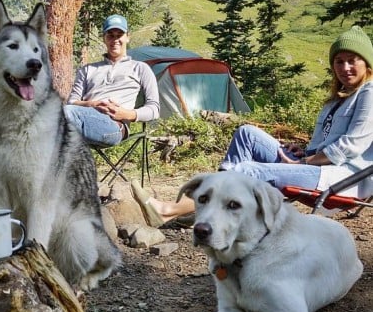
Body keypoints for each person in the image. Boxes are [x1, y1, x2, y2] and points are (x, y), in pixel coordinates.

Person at [134, 25, 373, 226]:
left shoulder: (369, 93)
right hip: (319, 168)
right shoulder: (339, 98)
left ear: (367, 64)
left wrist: (303, 162)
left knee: (250, 170)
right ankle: (207, 211)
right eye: (339, 62)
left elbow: (348, 147)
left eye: (352, 61)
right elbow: (326, 142)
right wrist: (307, 152)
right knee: (247, 134)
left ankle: (169, 210)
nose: (345, 68)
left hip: (341, 179)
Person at [64, 14, 160, 147]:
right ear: (104, 38)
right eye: (110, 35)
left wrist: (126, 114)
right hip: (80, 117)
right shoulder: (87, 70)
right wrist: (92, 104)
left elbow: (154, 109)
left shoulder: (140, 68)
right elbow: (72, 101)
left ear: (127, 37)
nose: (115, 40)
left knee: (62, 115)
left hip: (114, 125)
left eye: (119, 35)